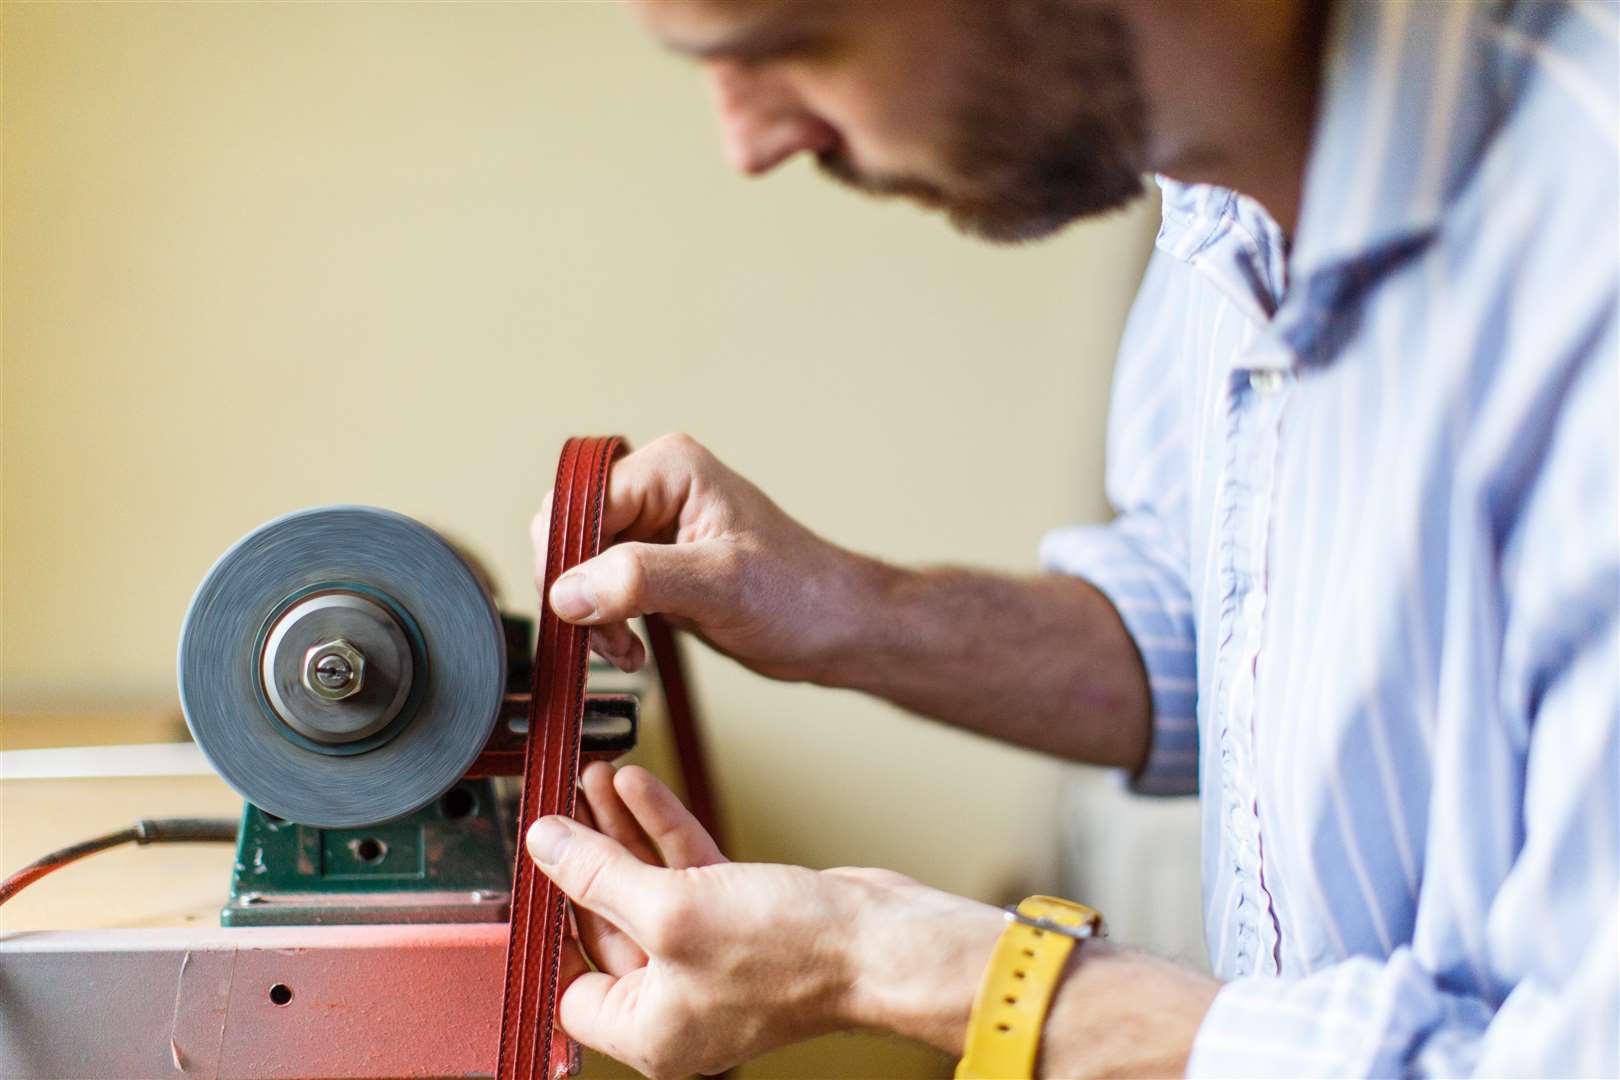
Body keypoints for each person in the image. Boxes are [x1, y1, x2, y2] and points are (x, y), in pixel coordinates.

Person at [523, 1, 1619, 1076]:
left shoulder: (1587, 235)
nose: (749, 142)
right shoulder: (1214, 192)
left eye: (790, 44)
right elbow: (1228, 633)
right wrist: (840, 611)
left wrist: (892, 967)